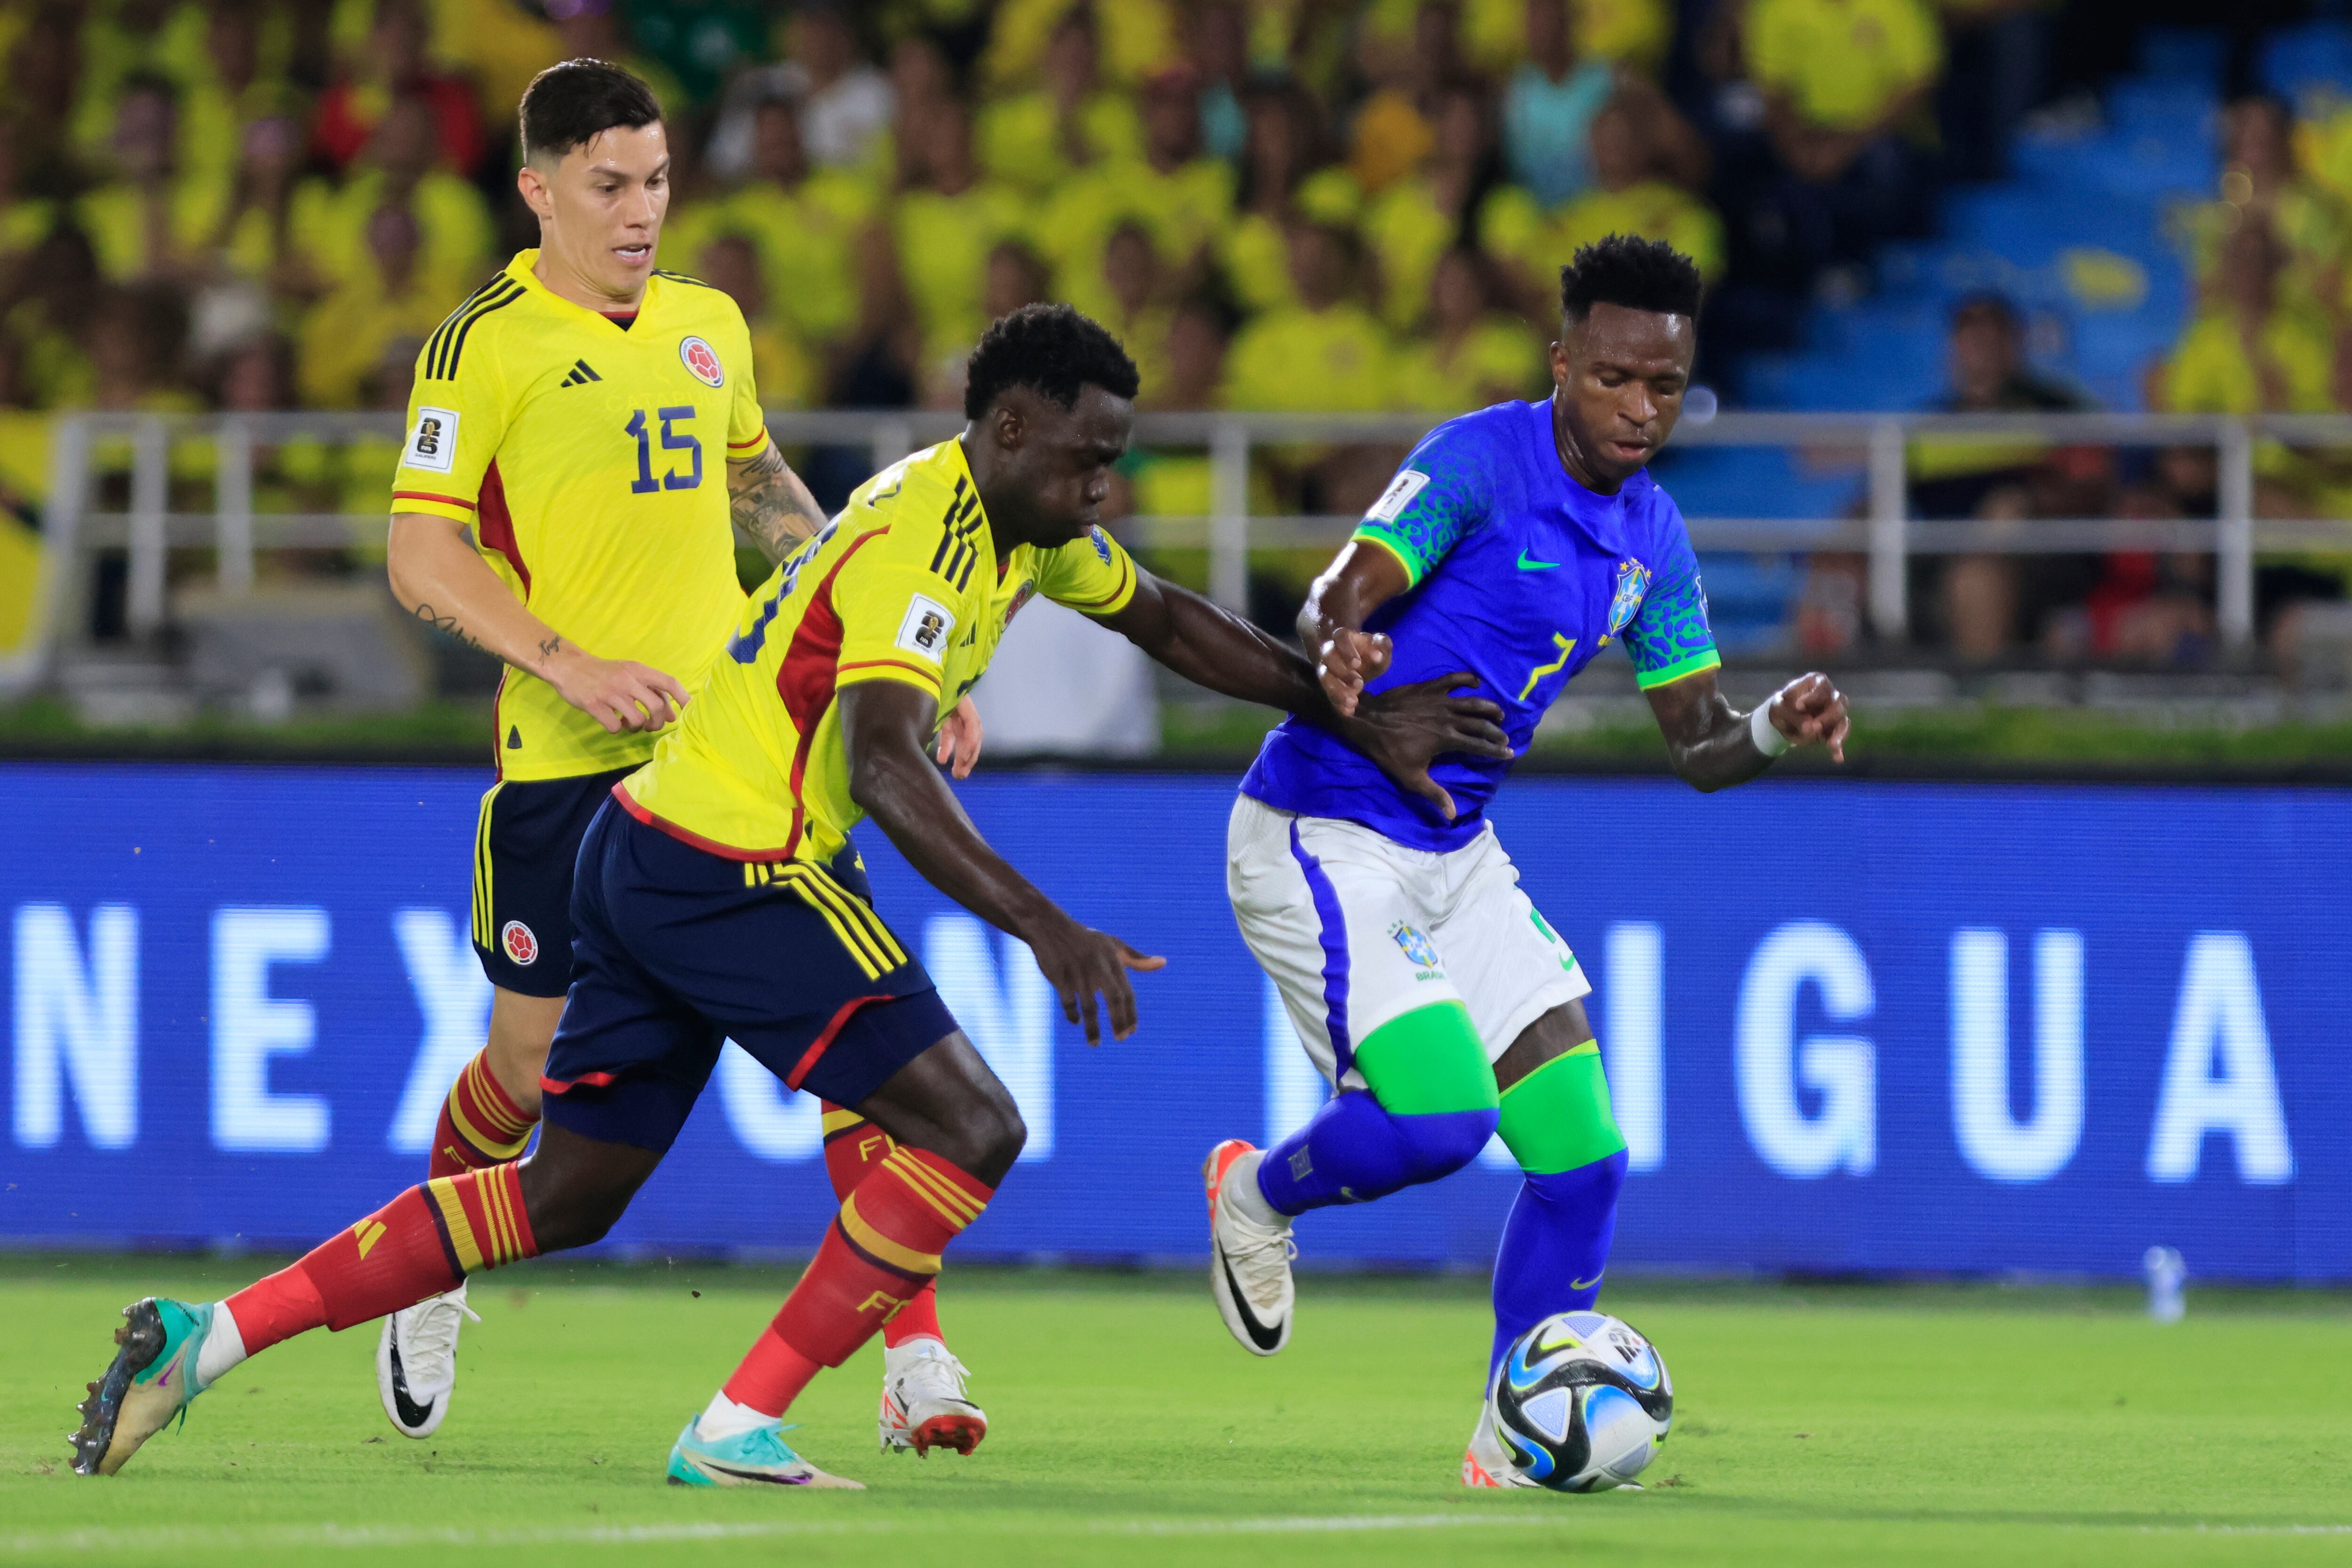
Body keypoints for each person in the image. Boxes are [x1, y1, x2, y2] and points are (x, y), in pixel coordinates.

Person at [68, 303, 1513, 1486]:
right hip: (736, 868)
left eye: (1113, 465)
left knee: (563, 1198)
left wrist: (1345, 714)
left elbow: (1169, 619)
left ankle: (210, 1337)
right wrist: (1044, 923)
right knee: (974, 1124)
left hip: (645, 850)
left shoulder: (1018, 523)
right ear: (1008, 431)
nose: (1102, 490)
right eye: (1086, 462)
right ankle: (746, 1420)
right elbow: (887, 765)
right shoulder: (925, 547)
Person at [358, 59, 1001, 1456]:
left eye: (656, 181)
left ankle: (915, 1353)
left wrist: (911, 653)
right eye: (609, 186)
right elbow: (420, 550)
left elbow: (773, 501)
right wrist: (569, 664)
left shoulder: (711, 324)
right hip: (563, 766)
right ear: (539, 191)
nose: (642, 211)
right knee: (522, 1076)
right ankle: (437, 1262)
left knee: (861, 1044)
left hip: (729, 761)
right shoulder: (480, 345)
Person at [1196, 236, 1850, 1487]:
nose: (1640, 409)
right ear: (1562, 362)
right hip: (1321, 828)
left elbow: (1701, 746)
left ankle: (1508, 1434)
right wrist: (1339, 643)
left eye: (1665, 386)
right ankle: (1258, 1197)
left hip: (1453, 847)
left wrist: (1775, 724)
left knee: (1583, 1159)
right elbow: (1347, 580)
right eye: (1614, 378)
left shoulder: (1654, 540)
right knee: (1444, 1119)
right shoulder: (1480, 462)